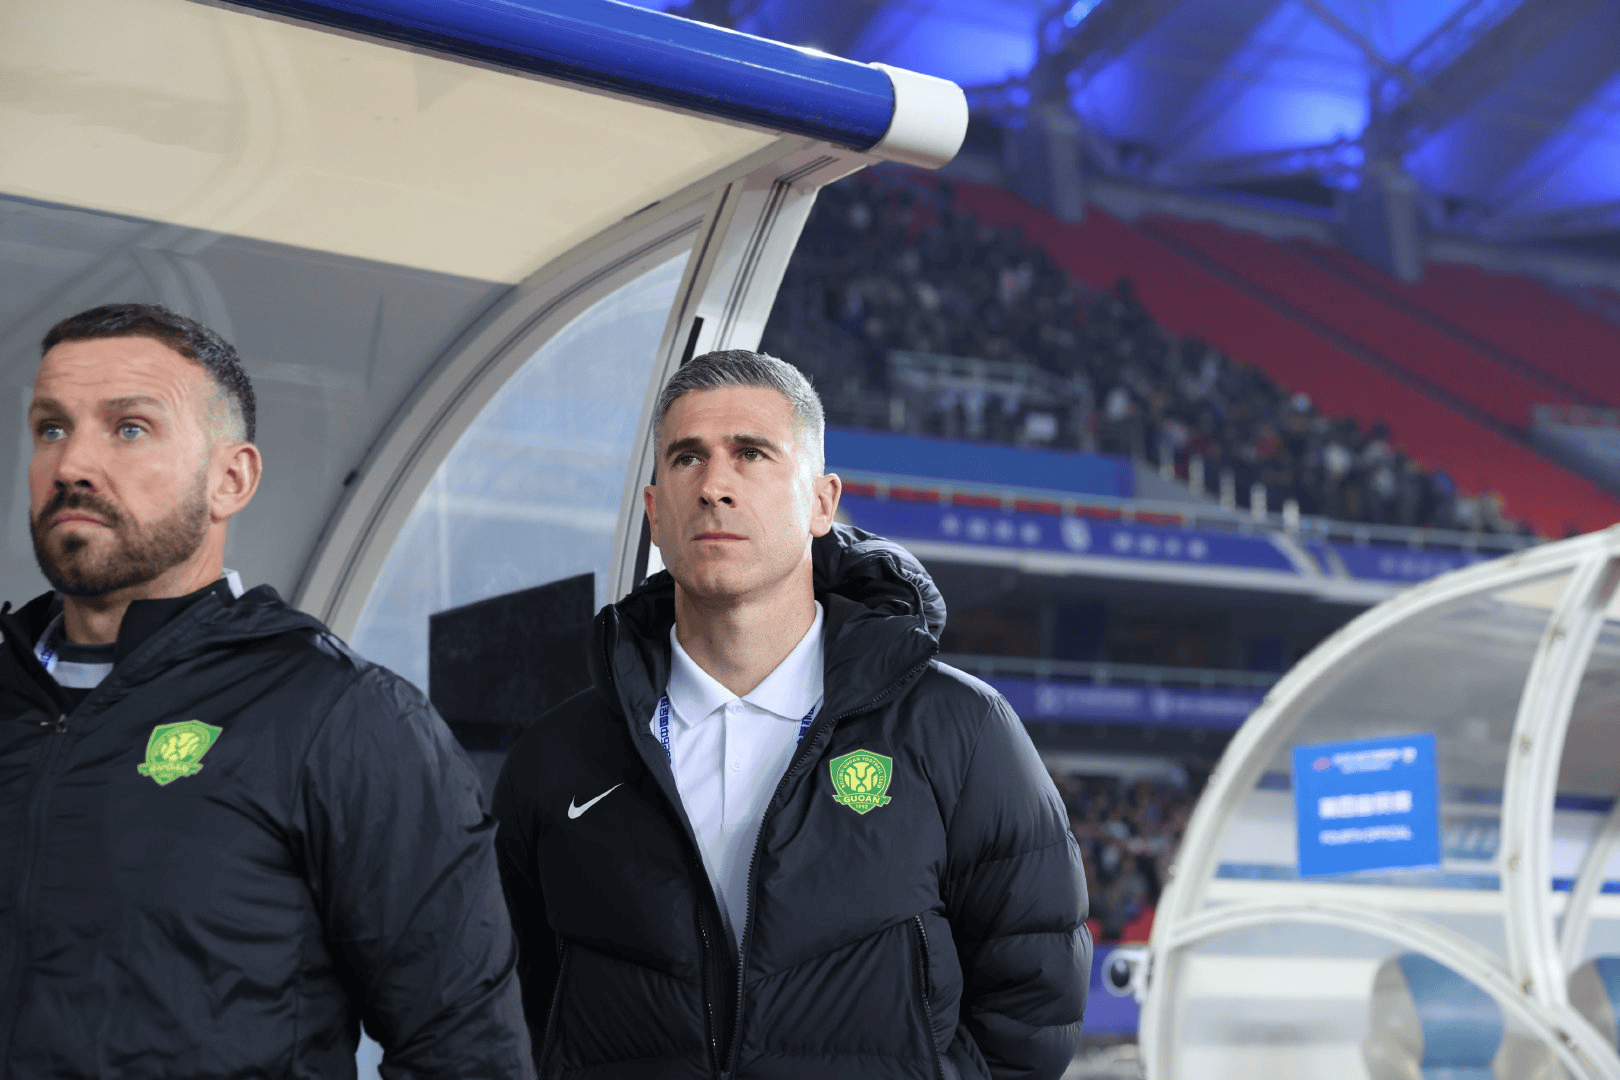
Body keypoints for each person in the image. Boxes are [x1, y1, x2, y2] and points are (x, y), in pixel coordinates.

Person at [494, 349, 1089, 1079]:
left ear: (820, 504)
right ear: (654, 513)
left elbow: (1032, 1010)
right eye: (687, 458)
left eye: (750, 454)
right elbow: (507, 1005)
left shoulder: (960, 730)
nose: (714, 486)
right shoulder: (558, 756)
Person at [0, 304, 531, 1078]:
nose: (72, 463)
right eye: (51, 427)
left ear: (231, 479)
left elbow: (465, 1050)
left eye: (129, 428)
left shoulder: (340, 716)